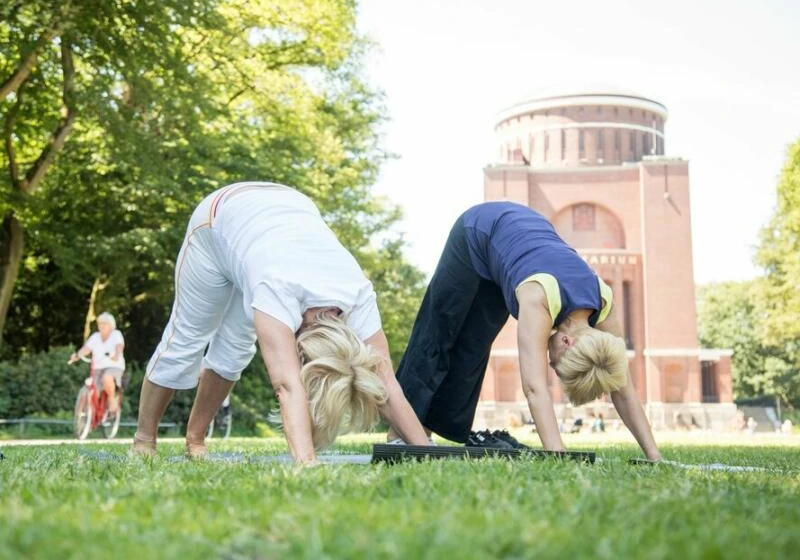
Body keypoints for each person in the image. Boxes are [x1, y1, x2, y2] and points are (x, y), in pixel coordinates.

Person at [132, 182, 429, 463]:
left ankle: (195, 441)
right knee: (187, 338)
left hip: (283, 214)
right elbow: (287, 386)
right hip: (219, 218)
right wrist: (305, 461)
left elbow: (386, 382)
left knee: (235, 348)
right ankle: (144, 441)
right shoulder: (278, 291)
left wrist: (425, 452)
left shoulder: (358, 294)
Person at [390, 201, 661, 461]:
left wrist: (654, 457)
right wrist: (558, 453)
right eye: (556, 365)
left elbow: (624, 389)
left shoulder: (604, 301)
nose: (550, 364)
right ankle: (401, 434)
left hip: (513, 244)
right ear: (567, 341)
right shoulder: (538, 298)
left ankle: (425, 433)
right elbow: (534, 388)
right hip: (479, 228)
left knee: (474, 346)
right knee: (440, 331)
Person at [69, 312, 125, 417]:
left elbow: (119, 346)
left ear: (111, 325)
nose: (102, 326)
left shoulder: (116, 334)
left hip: (114, 366)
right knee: (94, 388)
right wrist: (77, 355)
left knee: (107, 377)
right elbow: (86, 349)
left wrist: (116, 355)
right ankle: (90, 414)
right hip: (98, 367)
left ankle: (112, 399)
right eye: (100, 324)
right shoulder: (95, 337)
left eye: (105, 324)